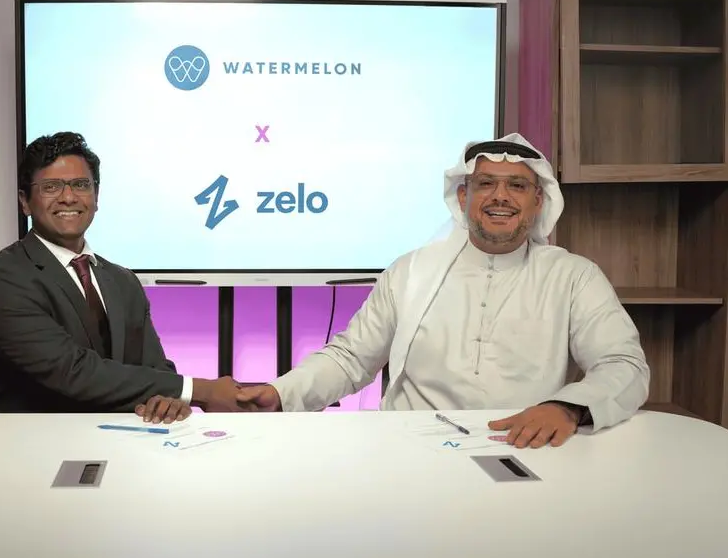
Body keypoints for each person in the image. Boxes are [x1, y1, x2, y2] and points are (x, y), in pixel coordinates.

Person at [237, 133, 651, 448]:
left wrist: (567, 408)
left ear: (538, 201)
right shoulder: (412, 270)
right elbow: (351, 359)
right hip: (409, 450)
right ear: (463, 195)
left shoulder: (574, 276)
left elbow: (623, 364)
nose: (501, 197)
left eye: (517, 186)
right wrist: (281, 393)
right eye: (486, 184)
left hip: (524, 447)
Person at [0, 131, 245, 422]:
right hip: (30, 441)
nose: (68, 198)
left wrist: (167, 401)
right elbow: (73, 372)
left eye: (81, 185)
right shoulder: (2, 279)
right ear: (25, 202)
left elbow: (156, 370)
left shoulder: (122, 280)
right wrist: (199, 390)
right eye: (51, 187)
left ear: (96, 196)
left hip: (119, 437)